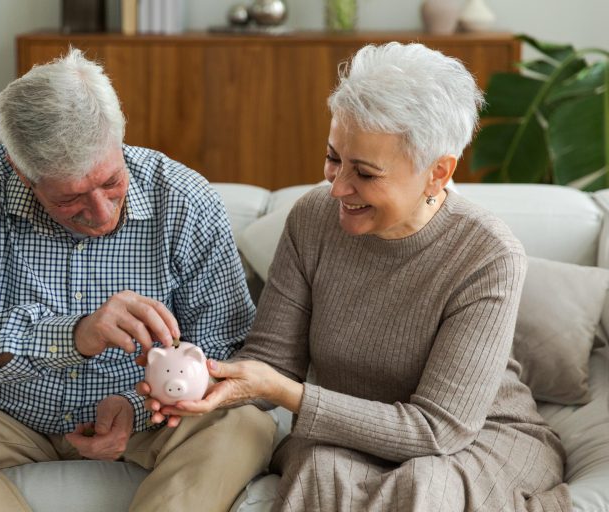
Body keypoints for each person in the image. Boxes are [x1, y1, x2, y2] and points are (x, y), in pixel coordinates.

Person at [147, 43, 571, 511]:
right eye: (334, 158)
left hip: (472, 439)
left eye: (365, 174)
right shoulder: (312, 218)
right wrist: (203, 385)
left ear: (437, 173)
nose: (337, 187)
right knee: (319, 470)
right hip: (344, 437)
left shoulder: (487, 255)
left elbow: (437, 430)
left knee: (425, 487)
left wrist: (286, 393)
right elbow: (273, 362)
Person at [0, 48, 275, 512]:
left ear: (120, 137)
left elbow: (226, 347)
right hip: (8, 418)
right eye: (69, 198)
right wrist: (74, 335)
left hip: (150, 424)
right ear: (21, 172)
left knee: (246, 425)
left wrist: (138, 406)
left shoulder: (185, 198)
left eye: (111, 182)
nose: (101, 212)